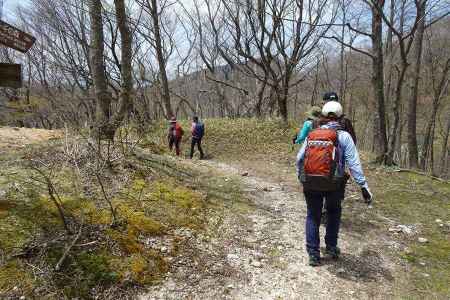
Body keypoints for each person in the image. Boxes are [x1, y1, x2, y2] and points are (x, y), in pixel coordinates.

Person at [296, 101, 373, 266]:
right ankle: (331, 247)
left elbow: (299, 158)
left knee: (312, 215)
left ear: (323, 116)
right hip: (334, 183)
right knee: (333, 212)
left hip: (310, 181)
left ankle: (313, 254)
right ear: (340, 117)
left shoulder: (313, 134)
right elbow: (354, 164)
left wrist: (301, 177)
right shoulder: (344, 136)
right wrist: (363, 186)